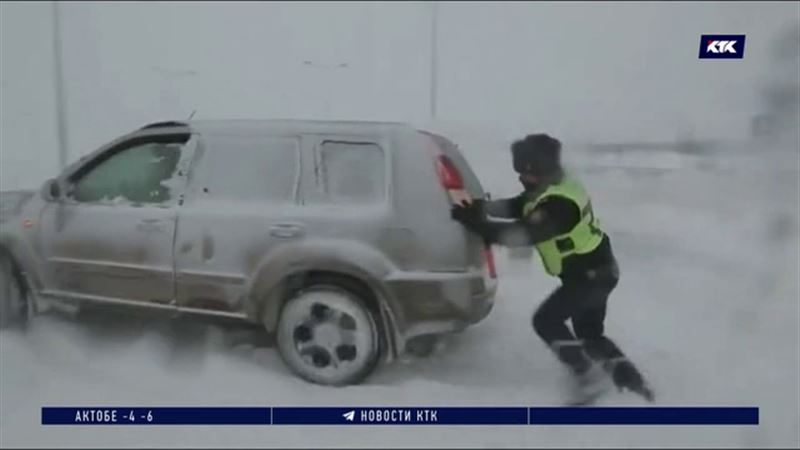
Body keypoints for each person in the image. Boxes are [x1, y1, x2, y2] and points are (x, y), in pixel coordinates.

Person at [451, 133, 654, 403]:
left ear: (541, 169)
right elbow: (517, 205)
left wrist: (476, 224)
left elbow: (522, 234)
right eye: (520, 172)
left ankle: (588, 378)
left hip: (590, 276)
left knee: (546, 321)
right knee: (590, 335)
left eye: (526, 172)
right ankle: (634, 387)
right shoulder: (551, 188)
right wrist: (480, 208)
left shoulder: (560, 205)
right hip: (597, 271)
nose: (522, 178)